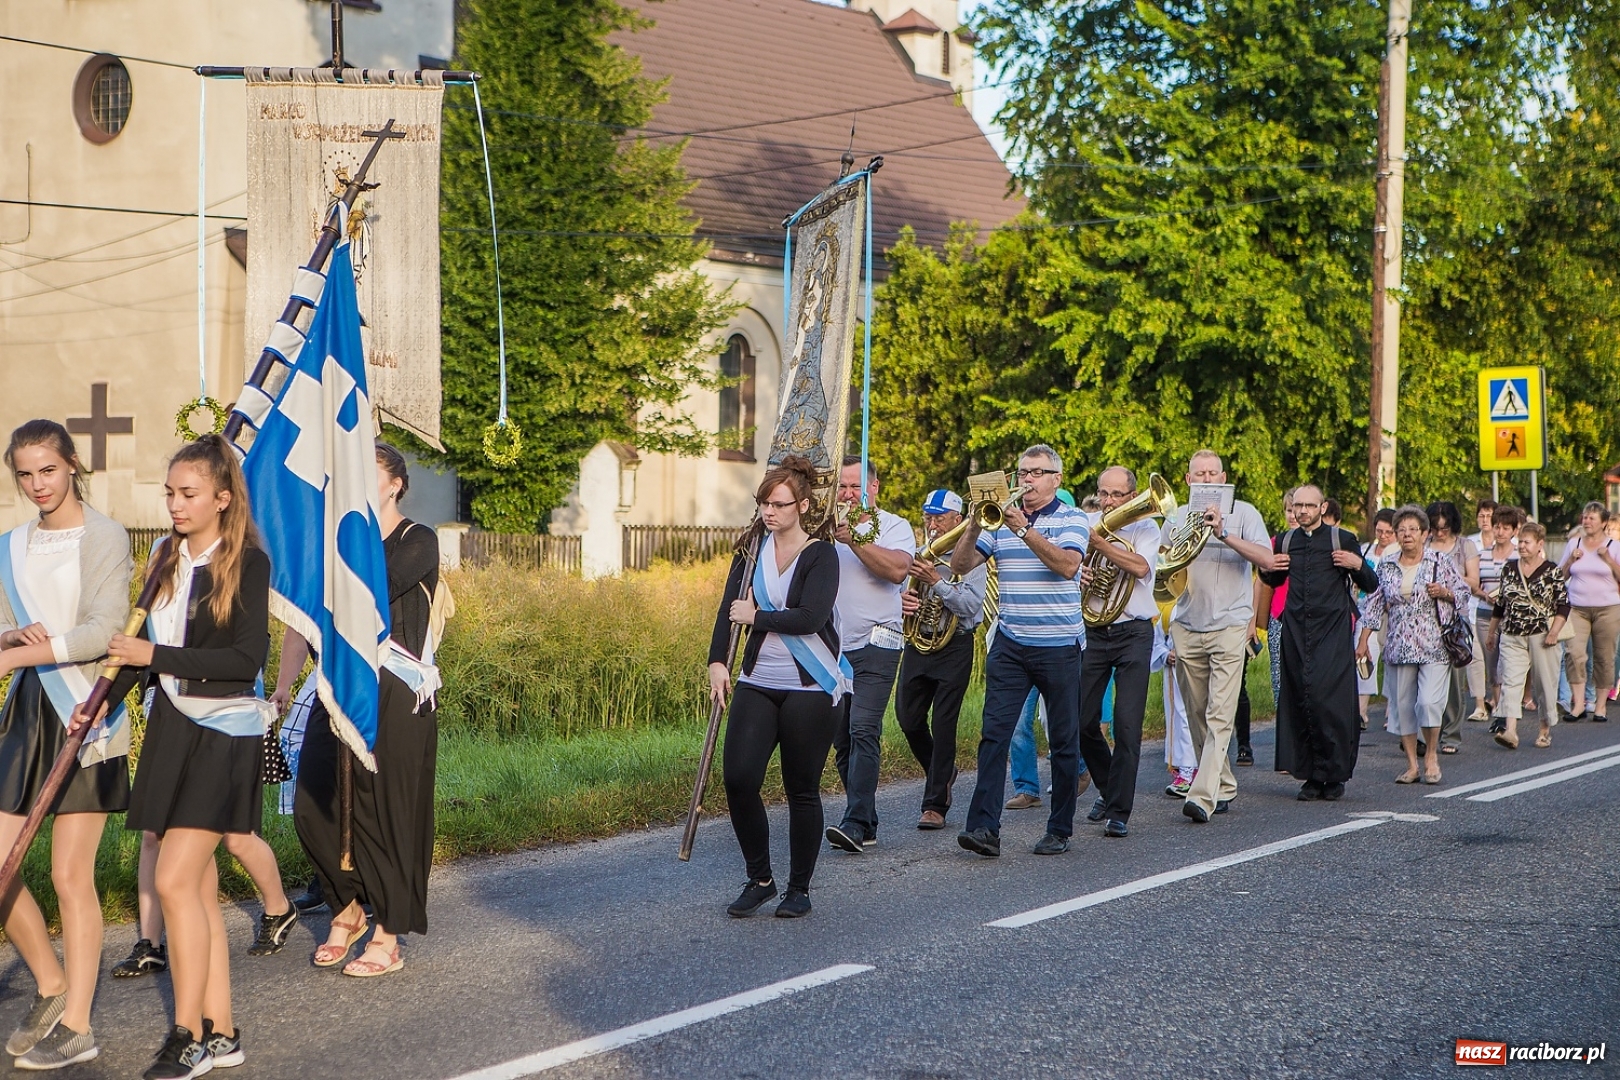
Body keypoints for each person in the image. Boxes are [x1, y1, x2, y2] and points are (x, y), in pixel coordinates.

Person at [95, 434, 272, 1078]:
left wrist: (154, 657)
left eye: (188, 493)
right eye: (170, 492)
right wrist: (100, 704)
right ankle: (221, 1033)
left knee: (172, 881)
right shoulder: (165, 555)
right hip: (172, 729)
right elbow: (140, 647)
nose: (174, 503)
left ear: (222, 498)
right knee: (194, 887)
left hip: (224, 733)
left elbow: (244, 661)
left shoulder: (248, 563)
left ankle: (186, 1035)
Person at [0, 421, 132, 1069]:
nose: (37, 485)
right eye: (24, 474)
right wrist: (9, 638)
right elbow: (3, 627)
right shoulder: (10, 544)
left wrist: (19, 654)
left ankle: (77, 1025)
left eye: (47, 470)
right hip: (28, 713)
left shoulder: (105, 536)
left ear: (72, 464)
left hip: (87, 710)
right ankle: (51, 985)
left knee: (69, 874)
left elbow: (105, 631)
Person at [294, 442, 442, 977]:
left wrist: (337, 548)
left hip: (396, 687)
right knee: (313, 802)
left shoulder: (418, 539)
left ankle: (388, 933)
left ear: (395, 484)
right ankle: (348, 908)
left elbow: (375, 592)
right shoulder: (335, 541)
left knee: (386, 811)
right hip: (338, 684)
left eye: (368, 471)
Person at [708, 455, 844, 918]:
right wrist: (717, 662)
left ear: (802, 506)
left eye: (779, 504)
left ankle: (799, 888)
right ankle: (760, 878)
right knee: (739, 778)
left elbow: (811, 617)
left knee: (800, 788)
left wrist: (758, 616)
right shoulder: (751, 549)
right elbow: (729, 608)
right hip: (758, 680)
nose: (769, 512)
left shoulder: (821, 554)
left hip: (811, 686)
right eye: (764, 503)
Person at [951, 445, 1089, 856]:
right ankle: (983, 829)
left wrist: (1024, 529)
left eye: (1036, 472)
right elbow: (959, 566)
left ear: (1056, 480)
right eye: (1022, 472)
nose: (1026, 479)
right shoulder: (998, 521)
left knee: (1063, 740)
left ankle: (1059, 829)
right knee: (994, 736)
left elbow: (1067, 565)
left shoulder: (1072, 518)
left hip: (1059, 645)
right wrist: (973, 526)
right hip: (1011, 643)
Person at [1163, 451, 1274, 822]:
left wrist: (1223, 533)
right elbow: (1164, 569)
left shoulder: (1245, 513)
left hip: (1230, 625)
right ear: (1188, 479)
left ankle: (1202, 795)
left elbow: (1267, 560)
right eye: (1200, 473)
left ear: (1223, 477)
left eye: (1213, 473)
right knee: (1197, 714)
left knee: (1220, 714)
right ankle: (1223, 784)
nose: (1207, 479)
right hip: (1187, 623)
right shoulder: (1177, 516)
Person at [1259, 484, 1379, 801]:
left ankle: (1334, 775)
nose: (1302, 511)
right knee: (1301, 698)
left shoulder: (1343, 539)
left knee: (1331, 702)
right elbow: (1274, 579)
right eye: (1297, 506)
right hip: (1297, 631)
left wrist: (1357, 565)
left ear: (1322, 508)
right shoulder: (1286, 541)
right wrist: (1265, 569)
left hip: (1333, 631)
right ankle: (1311, 776)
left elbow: (1371, 584)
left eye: (1309, 506)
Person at [825, 457, 915, 853]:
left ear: (874, 488)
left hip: (879, 641)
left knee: (863, 727)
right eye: (842, 488)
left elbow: (897, 571)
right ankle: (866, 819)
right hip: (834, 648)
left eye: (854, 487)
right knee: (842, 739)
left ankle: (855, 822)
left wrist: (855, 541)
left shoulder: (894, 526)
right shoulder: (825, 530)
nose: (847, 495)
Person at [1357, 506, 1469, 785]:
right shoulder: (1387, 564)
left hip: (1434, 644)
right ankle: (1411, 765)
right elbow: (1374, 604)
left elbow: (1463, 593)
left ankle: (1430, 755)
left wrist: (1444, 592)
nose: (1407, 534)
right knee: (1403, 707)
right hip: (1399, 644)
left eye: (1413, 529)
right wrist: (1363, 640)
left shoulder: (1439, 561)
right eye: (1402, 530)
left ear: (1424, 533)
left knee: (1428, 702)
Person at [1077, 467, 1161, 838]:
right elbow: (1067, 565)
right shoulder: (1086, 523)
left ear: (1131, 496)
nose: (1108, 502)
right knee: (1080, 721)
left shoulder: (1146, 528)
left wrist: (1101, 546)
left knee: (1127, 724)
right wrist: (1080, 573)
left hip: (1134, 634)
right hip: (1094, 631)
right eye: (1103, 494)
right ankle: (1109, 789)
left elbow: (1141, 567)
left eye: (1116, 495)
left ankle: (1118, 812)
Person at [896, 489, 987, 829]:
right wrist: (904, 600)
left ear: (957, 520)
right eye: (928, 517)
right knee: (908, 719)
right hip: (920, 643)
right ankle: (943, 771)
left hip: (955, 644)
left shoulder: (972, 557)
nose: (932, 524)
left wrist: (937, 582)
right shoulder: (919, 553)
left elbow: (971, 606)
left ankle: (935, 804)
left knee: (944, 724)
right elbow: (902, 594)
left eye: (939, 518)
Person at [1488, 522, 1570, 749]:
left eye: (1527, 542)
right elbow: (1501, 604)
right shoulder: (1509, 569)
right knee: (1511, 681)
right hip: (1512, 634)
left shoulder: (1552, 570)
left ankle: (1544, 729)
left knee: (1545, 684)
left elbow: (1564, 605)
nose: (1522, 546)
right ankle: (1510, 731)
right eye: (1520, 542)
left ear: (1539, 544)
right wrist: (1492, 631)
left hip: (1542, 635)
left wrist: (1554, 632)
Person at [1427, 501, 1487, 750]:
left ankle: (1450, 733)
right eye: (1435, 528)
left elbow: (1473, 582)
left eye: (1445, 527)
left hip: (1454, 619)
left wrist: (1446, 580)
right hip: (1425, 620)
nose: (1440, 533)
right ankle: (1426, 732)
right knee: (1425, 680)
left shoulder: (1465, 546)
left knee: (1453, 679)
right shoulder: (1423, 544)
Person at [1556, 502, 1620, 723]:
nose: (1586, 521)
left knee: (1604, 656)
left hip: (1608, 608)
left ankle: (1600, 706)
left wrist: (1608, 560)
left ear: (1603, 522)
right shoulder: (1574, 543)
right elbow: (1559, 577)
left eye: (1592, 518)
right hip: (1577, 607)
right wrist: (1571, 560)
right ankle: (1578, 705)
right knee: (1574, 653)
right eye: (1584, 517)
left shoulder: (1614, 546)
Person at [1257, 488, 1297, 769]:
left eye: (1297, 509)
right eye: (1288, 510)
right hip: (1279, 617)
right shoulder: (1276, 543)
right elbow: (1261, 583)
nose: (1293, 515)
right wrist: (1253, 623)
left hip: (1307, 619)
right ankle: (1286, 748)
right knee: (1279, 682)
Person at [1475, 505, 1521, 725]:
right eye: (1497, 527)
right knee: (1493, 665)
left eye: (1505, 528)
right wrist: (1484, 595)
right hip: (1486, 613)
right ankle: (1499, 708)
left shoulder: (1519, 554)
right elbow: (1474, 584)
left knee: (1510, 665)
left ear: (1514, 530)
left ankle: (1509, 710)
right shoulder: (1482, 555)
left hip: (1512, 616)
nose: (1500, 532)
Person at [1357, 509, 1398, 727]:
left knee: (1392, 661)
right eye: (1379, 531)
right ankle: (1361, 711)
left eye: (1388, 532)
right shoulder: (1365, 550)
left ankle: (1392, 710)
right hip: (1366, 612)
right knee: (1365, 656)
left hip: (1391, 614)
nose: (1383, 536)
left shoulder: (1399, 555)